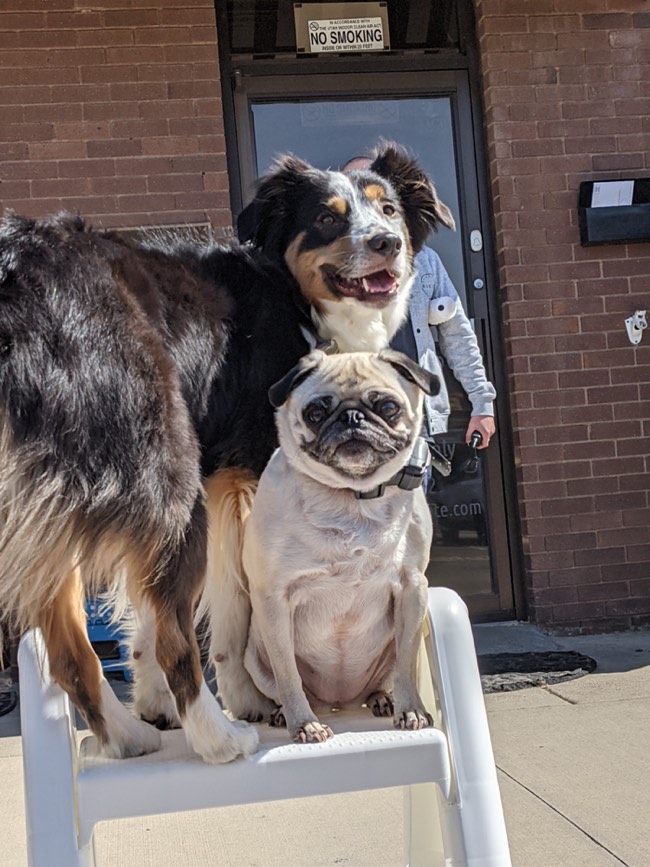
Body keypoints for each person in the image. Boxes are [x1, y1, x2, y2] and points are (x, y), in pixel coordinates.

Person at [341, 156, 496, 452]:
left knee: (416, 495)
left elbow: (457, 335)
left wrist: (482, 402)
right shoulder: (329, 267)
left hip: (415, 422)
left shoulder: (425, 263)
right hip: (353, 427)